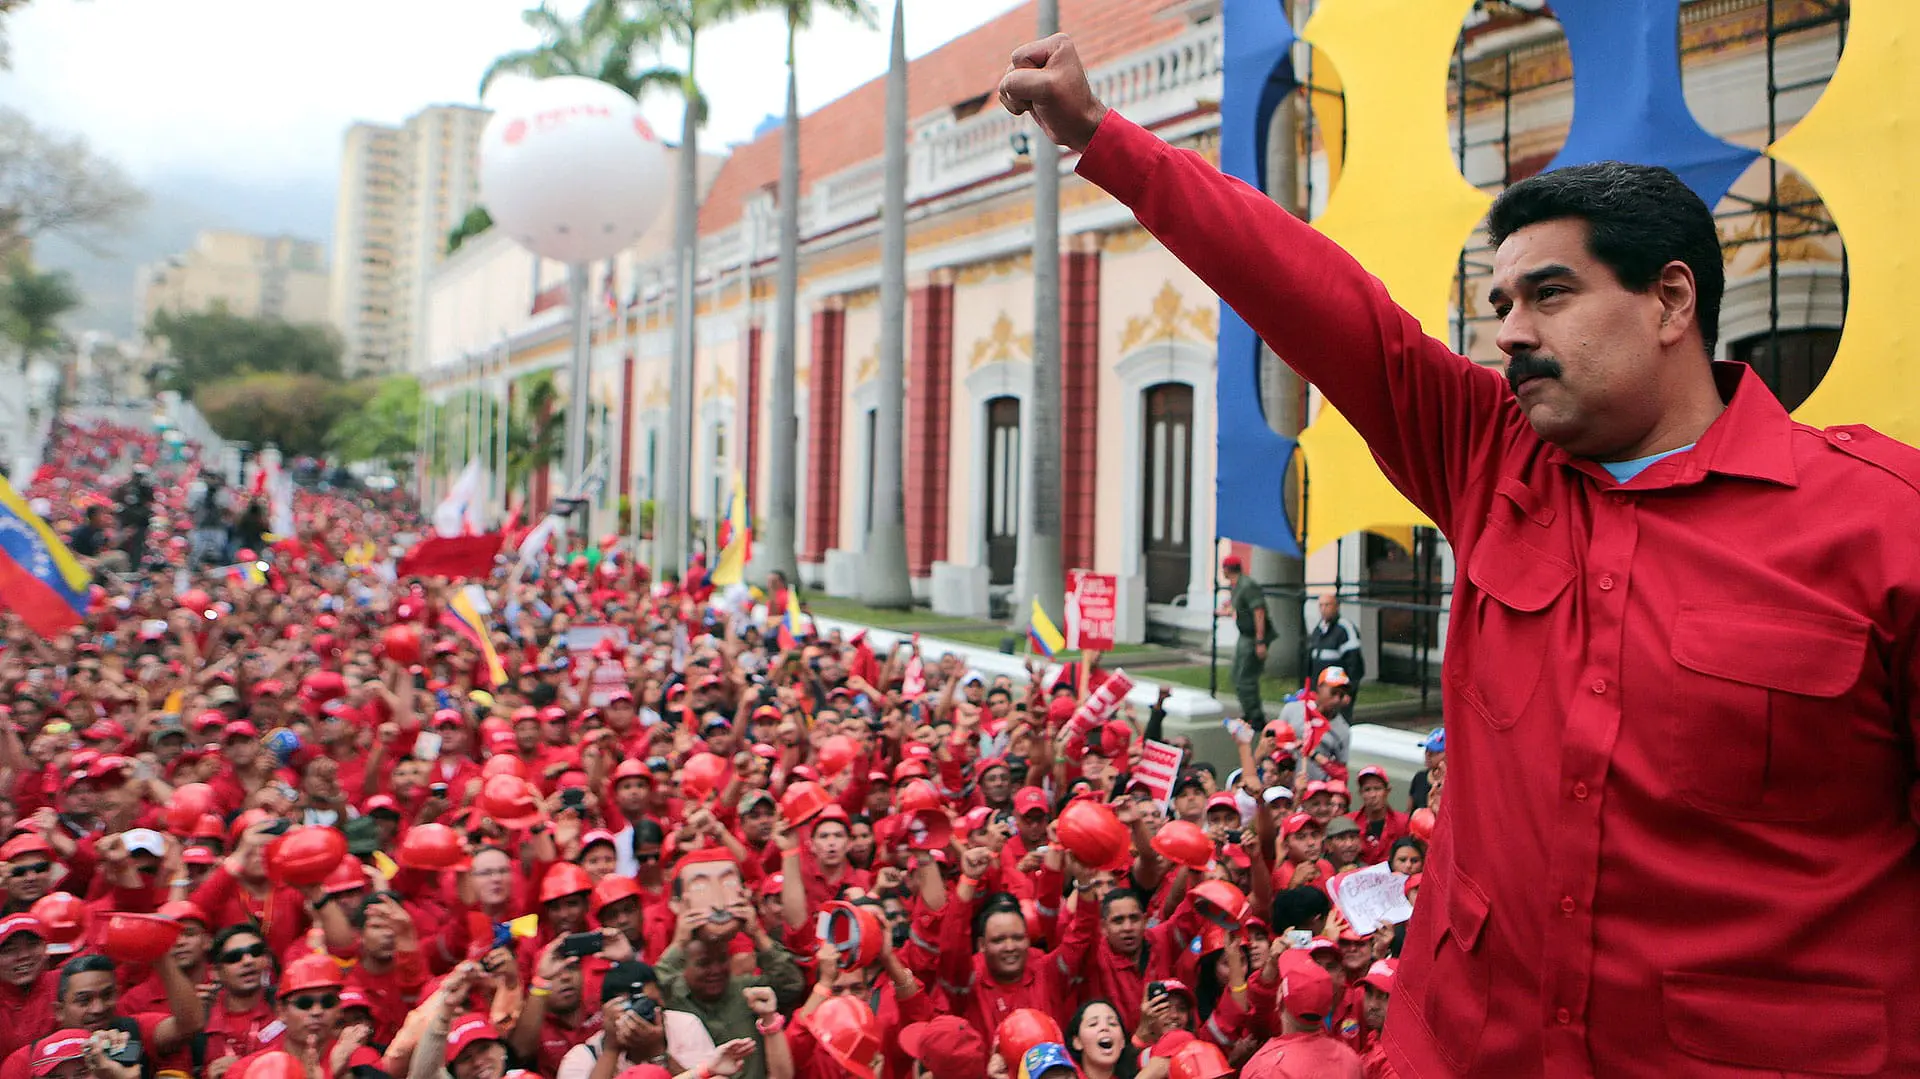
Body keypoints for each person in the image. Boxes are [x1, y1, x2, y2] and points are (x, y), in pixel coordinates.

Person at [997, 33, 1920, 1075]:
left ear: (1671, 300)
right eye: (1501, 305)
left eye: (1550, 295)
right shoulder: (1490, 459)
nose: (1510, 332)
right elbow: (1314, 296)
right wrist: (1107, 140)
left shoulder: (1883, 522)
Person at [1214, 556, 1268, 725]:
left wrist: (1260, 641)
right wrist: (1227, 610)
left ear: (1227, 569)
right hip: (1245, 635)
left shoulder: (1247, 585)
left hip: (1251, 637)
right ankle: (1249, 712)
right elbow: (1240, 609)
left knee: (1245, 678)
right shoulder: (1238, 586)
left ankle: (1256, 716)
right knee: (1237, 675)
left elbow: (1259, 612)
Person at [1305, 595, 1364, 708]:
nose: (1323, 609)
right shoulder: (1319, 629)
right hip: (1318, 691)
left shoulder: (1345, 629)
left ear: (1336, 607)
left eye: (1327, 605)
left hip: (1337, 693)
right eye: (1321, 605)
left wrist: (1348, 692)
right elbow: (1310, 662)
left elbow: (1354, 664)